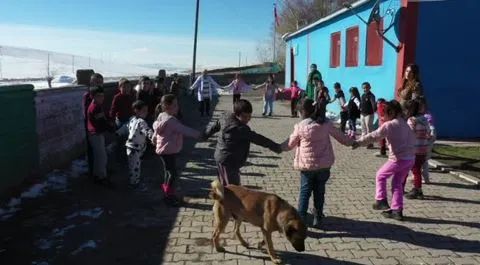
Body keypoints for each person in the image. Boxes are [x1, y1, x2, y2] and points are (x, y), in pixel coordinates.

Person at [281, 98, 353, 228]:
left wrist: (278, 147)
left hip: (307, 168)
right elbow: (341, 137)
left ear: (302, 112)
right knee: (320, 192)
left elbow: (289, 145)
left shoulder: (300, 127)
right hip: (324, 167)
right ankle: (318, 218)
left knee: (304, 193)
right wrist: (352, 142)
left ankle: (300, 221)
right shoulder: (325, 123)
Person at [352, 100, 416, 221]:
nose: (382, 117)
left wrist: (358, 142)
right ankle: (397, 210)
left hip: (398, 159)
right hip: (410, 159)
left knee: (380, 175)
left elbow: (374, 135)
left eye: (383, 114)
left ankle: (381, 200)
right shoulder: (404, 123)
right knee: (397, 184)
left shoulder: (390, 125)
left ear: (391, 112)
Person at [203, 99, 282, 186]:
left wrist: (205, 135)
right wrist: (277, 147)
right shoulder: (240, 129)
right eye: (245, 117)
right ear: (237, 115)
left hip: (221, 157)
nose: (248, 119)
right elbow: (259, 139)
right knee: (233, 189)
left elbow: (215, 126)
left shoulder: (225, 117)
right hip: (229, 161)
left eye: (249, 116)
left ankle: (224, 197)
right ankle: (228, 199)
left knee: (224, 185)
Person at [152, 94, 202, 206]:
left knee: (168, 172)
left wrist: (154, 137)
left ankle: (167, 194)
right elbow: (184, 130)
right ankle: (168, 196)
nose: (177, 107)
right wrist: (199, 135)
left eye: (177, 105)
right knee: (172, 174)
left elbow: (156, 129)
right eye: (174, 105)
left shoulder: (161, 115)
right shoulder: (171, 120)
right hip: (168, 150)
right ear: (166, 106)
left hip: (164, 150)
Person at [403, 98, 431, 199]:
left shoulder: (412, 120)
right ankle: (416, 189)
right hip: (422, 148)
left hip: (412, 149)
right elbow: (428, 133)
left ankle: (417, 190)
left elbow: (409, 134)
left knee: (411, 170)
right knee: (416, 169)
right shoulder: (424, 119)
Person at [87, 86, 114, 188]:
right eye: (98, 96)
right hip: (96, 134)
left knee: (98, 156)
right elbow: (101, 122)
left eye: (102, 96)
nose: (101, 98)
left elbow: (104, 118)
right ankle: (102, 177)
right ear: (93, 96)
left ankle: (96, 175)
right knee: (102, 157)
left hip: (96, 133)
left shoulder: (97, 105)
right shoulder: (95, 107)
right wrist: (110, 127)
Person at [125, 100, 154, 190]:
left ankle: (135, 180)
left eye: (147, 110)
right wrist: (152, 136)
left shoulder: (132, 119)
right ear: (136, 111)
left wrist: (118, 133)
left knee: (134, 165)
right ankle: (134, 184)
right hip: (134, 148)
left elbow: (125, 127)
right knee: (135, 167)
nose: (146, 112)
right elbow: (147, 130)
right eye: (144, 110)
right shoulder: (141, 121)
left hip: (132, 147)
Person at [83, 73, 104, 179]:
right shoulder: (88, 95)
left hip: (98, 126)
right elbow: (87, 113)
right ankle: (93, 173)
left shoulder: (100, 93)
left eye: (100, 82)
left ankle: (99, 171)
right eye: (96, 82)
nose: (99, 84)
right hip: (91, 127)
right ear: (91, 82)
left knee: (99, 152)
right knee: (93, 151)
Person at [360, 82, 377, 149]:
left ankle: (370, 143)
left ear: (370, 87)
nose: (365, 89)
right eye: (364, 88)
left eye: (366, 87)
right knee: (363, 128)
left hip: (369, 114)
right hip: (362, 114)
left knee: (369, 129)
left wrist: (374, 110)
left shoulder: (371, 96)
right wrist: (360, 108)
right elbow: (361, 103)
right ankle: (364, 141)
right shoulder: (363, 95)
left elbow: (373, 104)